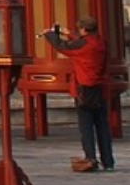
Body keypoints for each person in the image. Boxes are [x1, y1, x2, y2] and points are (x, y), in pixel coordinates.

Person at [44, 16, 115, 171]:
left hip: (84, 87)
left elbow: (63, 47)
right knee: (102, 125)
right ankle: (108, 162)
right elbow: (82, 42)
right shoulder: (101, 41)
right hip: (101, 88)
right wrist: (68, 33)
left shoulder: (83, 45)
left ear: (83, 29)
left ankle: (90, 158)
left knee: (86, 126)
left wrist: (50, 34)